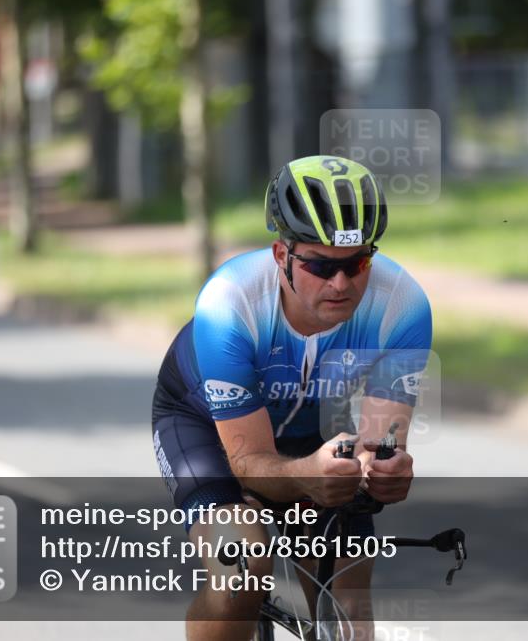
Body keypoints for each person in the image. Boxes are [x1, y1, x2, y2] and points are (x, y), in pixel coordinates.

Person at [151, 155, 432, 640]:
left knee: (350, 618)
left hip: (312, 432)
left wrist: (385, 472)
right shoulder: (229, 302)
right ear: (282, 256)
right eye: (321, 266)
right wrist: (307, 478)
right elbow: (247, 461)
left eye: (358, 263)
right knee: (241, 572)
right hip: (205, 428)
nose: (341, 284)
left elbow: (380, 444)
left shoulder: (403, 307)